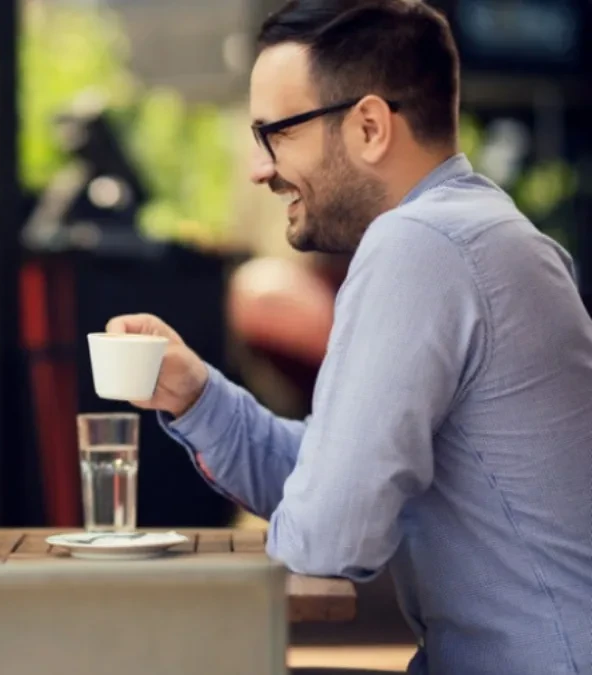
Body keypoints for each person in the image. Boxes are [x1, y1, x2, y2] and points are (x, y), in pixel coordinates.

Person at [108, 1, 592, 673]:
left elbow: (328, 537)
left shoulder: (420, 244)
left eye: (275, 133)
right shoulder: (479, 229)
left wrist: (318, 502)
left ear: (369, 126)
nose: (259, 169)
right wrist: (198, 398)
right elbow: (337, 474)